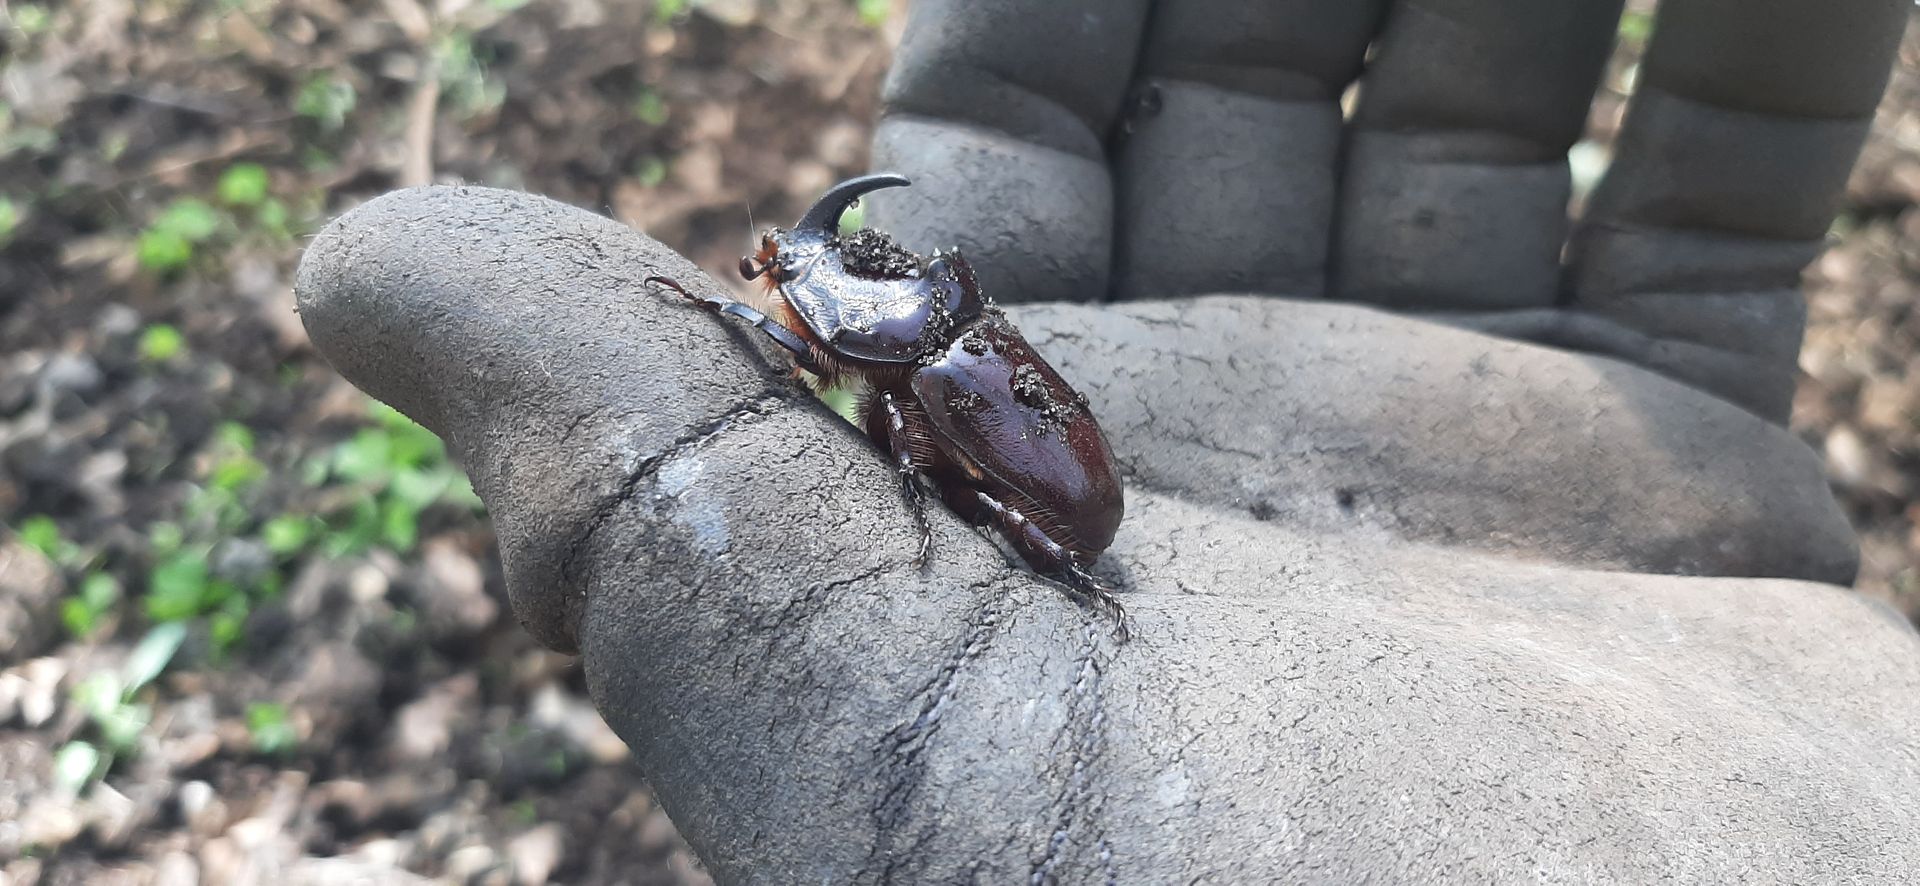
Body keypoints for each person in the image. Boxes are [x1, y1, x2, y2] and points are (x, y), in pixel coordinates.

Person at [296, 1, 1920, 880]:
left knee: (964, 472)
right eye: (793, 281)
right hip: (1059, 478)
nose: (790, 279)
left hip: (1063, 512)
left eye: (807, 276)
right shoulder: (943, 342)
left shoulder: (932, 367)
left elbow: (856, 371)